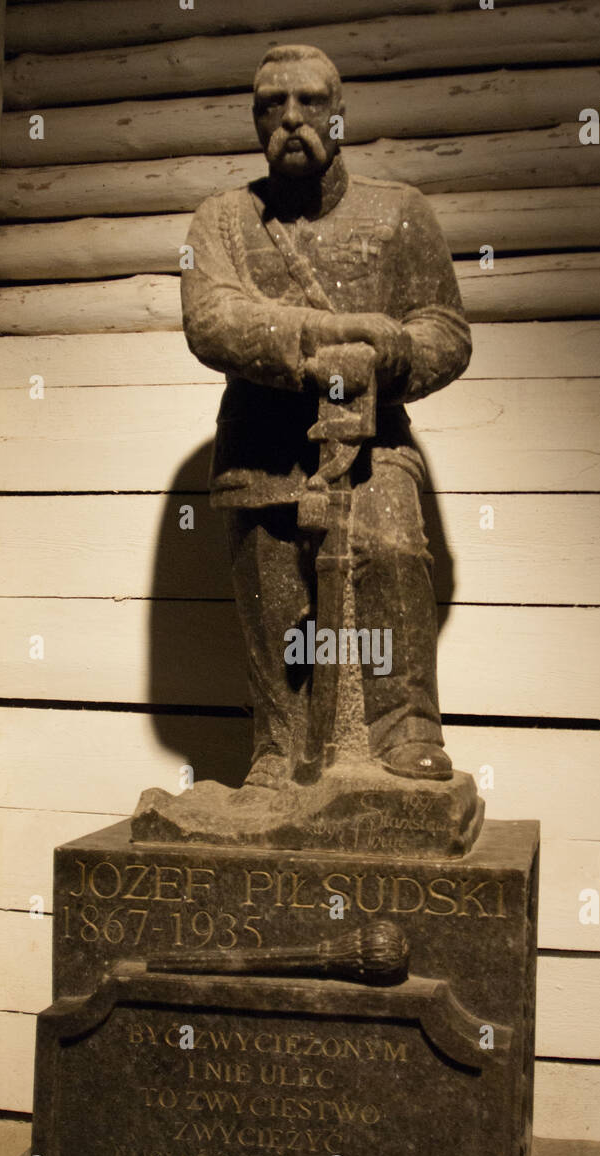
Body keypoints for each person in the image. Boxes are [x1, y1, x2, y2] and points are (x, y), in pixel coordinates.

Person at [180, 43, 471, 790]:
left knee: (396, 562)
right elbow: (212, 319)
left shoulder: (400, 214)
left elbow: (447, 329)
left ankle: (403, 732)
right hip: (261, 455)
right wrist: (326, 343)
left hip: (372, 444)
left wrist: (391, 352)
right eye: (270, 106)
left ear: (339, 115)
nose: (290, 119)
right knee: (278, 620)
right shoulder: (223, 220)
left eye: (308, 102)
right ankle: (280, 752)